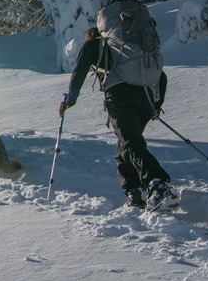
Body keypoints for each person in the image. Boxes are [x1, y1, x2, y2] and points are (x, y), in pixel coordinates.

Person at [59, 25, 176, 209]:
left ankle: (158, 184)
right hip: (146, 96)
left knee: (130, 143)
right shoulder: (131, 50)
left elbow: (79, 71)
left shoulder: (93, 45)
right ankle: (134, 194)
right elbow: (162, 76)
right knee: (125, 145)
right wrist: (155, 105)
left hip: (120, 98)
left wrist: (70, 100)